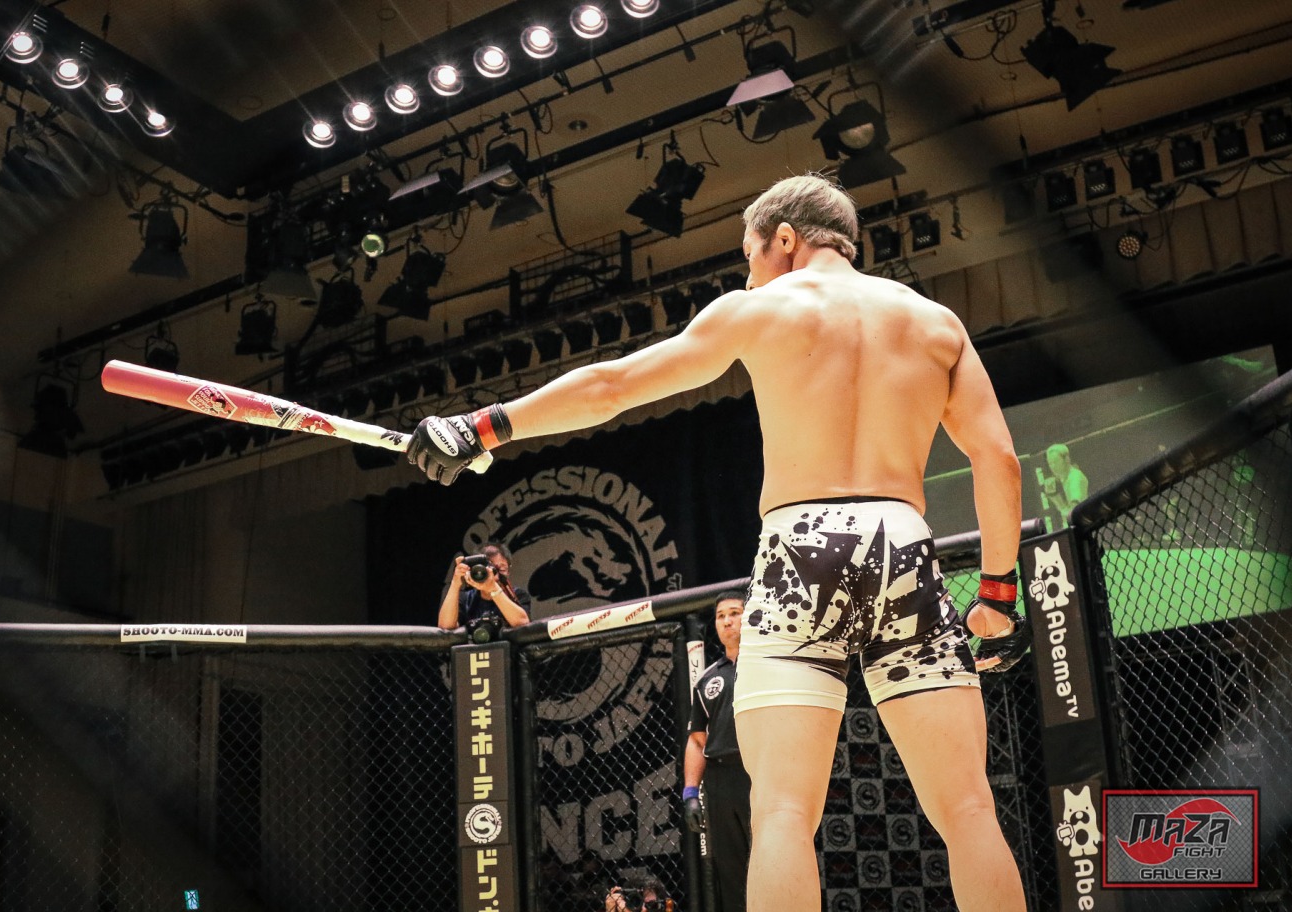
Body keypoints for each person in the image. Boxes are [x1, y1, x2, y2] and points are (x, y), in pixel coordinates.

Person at [406, 173, 1029, 911]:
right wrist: (996, 596)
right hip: (903, 543)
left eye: (750, 253)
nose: (749, 272)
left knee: (783, 814)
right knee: (968, 810)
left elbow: (614, 387)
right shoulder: (936, 324)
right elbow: (998, 459)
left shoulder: (761, 309)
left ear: (785, 239)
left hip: (803, 544)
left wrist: (485, 425)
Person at [683, 589, 751, 912]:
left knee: (772, 859)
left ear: (749, 616)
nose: (727, 621)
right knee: (731, 871)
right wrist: (690, 792)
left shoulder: (768, 665)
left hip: (758, 772)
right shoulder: (707, 679)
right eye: (721, 616)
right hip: (720, 780)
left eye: (734, 613)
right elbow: (697, 740)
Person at [436, 541, 531, 633]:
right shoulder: (465, 599)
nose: (495, 576)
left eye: (502, 569)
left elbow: (523, 624)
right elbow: (445, 627)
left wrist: (493, 589)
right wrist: (455, 583)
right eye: (489, 569)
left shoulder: (517, 595)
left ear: (508, 571)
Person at [1042, 443, 1088, 529]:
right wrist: (1053, 496)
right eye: (1050, 464)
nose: (1052, 467)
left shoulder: (1075, 477)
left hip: (1081, 527)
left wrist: (1057, 500)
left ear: (1066, 460)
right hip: (1071, 527)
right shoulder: (1061, 479)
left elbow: (1073, 512)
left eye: (1055, 462)